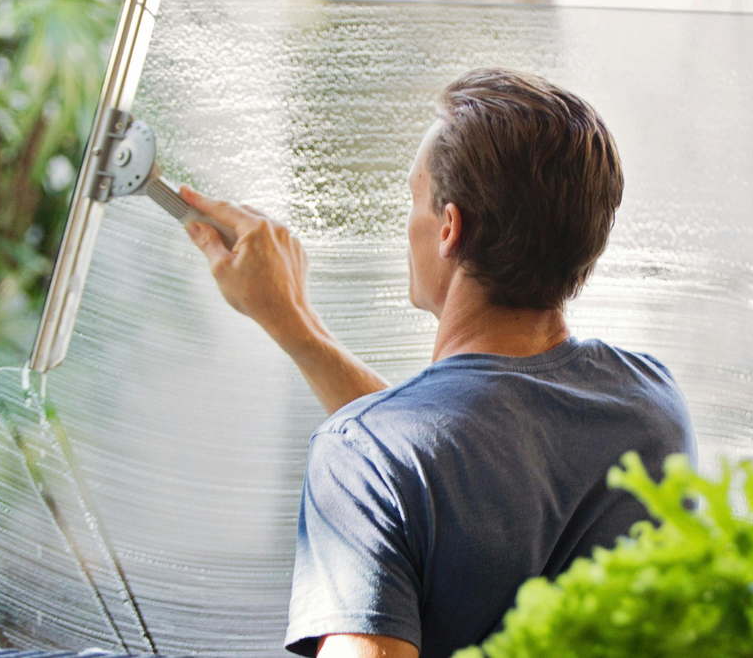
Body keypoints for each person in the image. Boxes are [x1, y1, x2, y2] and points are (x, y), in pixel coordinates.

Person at [179, 67, 695, 658]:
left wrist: (331, 389)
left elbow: (416, 462)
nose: (407, 223)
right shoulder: (653, 405)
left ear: (449, 228)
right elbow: (448, 455)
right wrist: (296, 326)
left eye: (414, 198)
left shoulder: (364, 456)